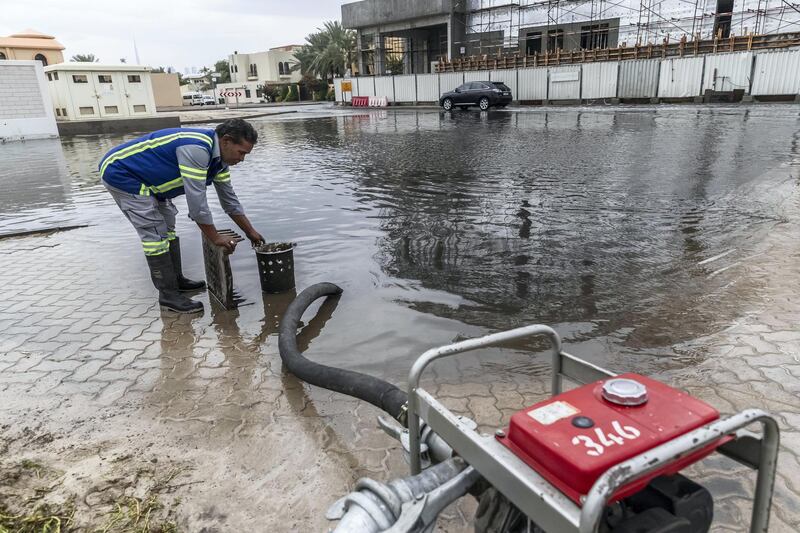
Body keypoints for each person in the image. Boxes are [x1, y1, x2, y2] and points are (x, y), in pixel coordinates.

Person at [99, 119, 264, 314]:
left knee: (168, 227)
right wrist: (216, 237)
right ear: (226, 141)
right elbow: (197, 204)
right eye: (241, 152)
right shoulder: (197, 148)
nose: (242, 159)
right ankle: (168, 296)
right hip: (122, 173)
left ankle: (176, 280)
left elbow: (229, 201)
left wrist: (251, 231)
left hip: (152, 184)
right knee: (155, 233)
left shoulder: (219, 163)